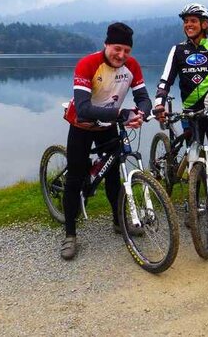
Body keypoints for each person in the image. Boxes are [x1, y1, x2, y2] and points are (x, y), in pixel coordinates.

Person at [60, 22, 152, 260]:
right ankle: (70, 234)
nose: (121, 55)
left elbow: (143, 97)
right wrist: (121, 114)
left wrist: (140, 112)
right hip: (82, 125)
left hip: (109, 126)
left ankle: (118, 221)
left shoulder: (131, 66)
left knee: (113, 176)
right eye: (117, 48)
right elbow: (83, 108)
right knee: (75, 177)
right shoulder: (88, 64)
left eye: (127, 51)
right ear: (106, 45)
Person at [153, 3, 208, 227]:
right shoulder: (178, 50)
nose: (188, 25)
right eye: (185, 21)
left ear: (204, 24)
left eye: (193, 20)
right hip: (191, 114)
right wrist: (159, 103)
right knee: (194, 160)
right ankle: (194, 205)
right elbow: (165, 81)